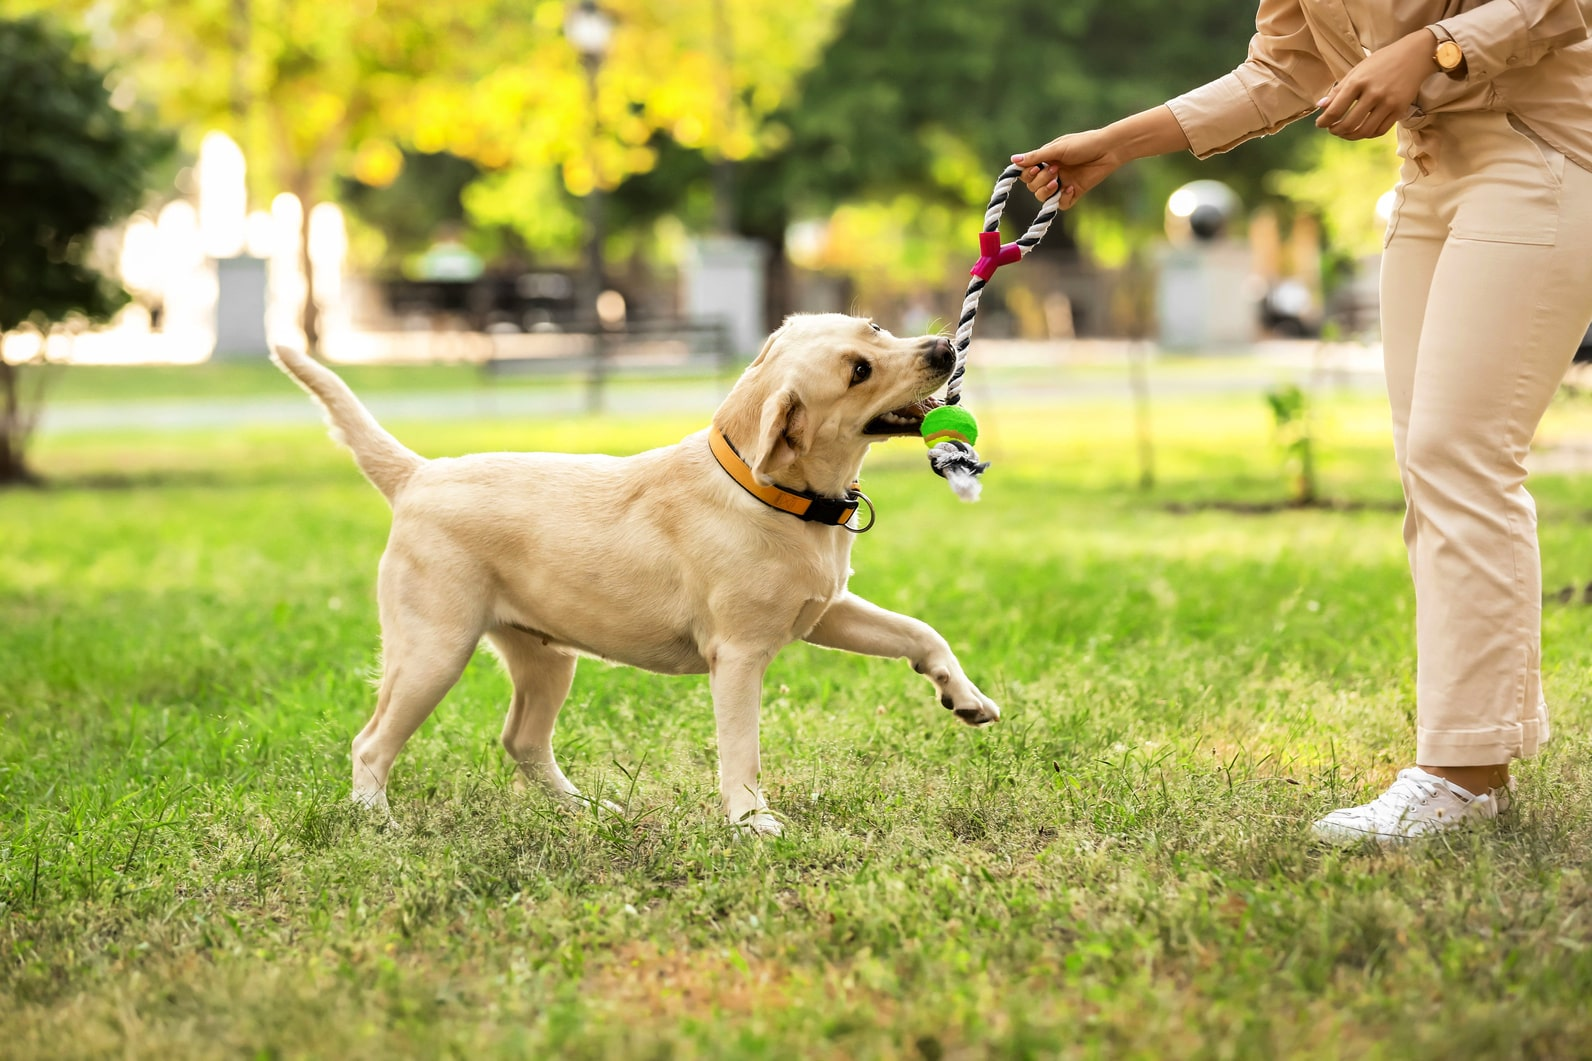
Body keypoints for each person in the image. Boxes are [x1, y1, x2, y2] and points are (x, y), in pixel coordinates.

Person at [1013, 1, 1592, 843]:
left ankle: (1460, 774)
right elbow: (1282, 69)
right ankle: (1479, 762)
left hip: (1540, 156)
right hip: (1430, 174)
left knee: (1458, 455)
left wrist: (1430, 50)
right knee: (1429, 471)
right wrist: (1116, 143)